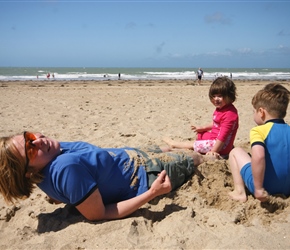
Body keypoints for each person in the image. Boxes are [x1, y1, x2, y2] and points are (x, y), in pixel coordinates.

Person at [0, 132, 218, 221]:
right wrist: (152, 193)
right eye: (30, 149)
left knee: (167, 149)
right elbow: (99, 214)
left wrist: (61, 195)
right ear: (28, 171)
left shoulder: (46, 158)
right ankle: (209, 158)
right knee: (192, 158)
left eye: (29, 136)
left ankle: (177, 149)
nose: (38, 140)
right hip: (145, 175)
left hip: (129, 155)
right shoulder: (65, 168)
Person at [228, 83, 290, 202]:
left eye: (254, 111)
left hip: (267, 188)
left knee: (235, 152)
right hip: (288, 188)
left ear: (261, 112)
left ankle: (239, 192)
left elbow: (259, 156)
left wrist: (259, 188)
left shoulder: (258, 131)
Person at [163, 77, 239, 159]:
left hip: (221, 146)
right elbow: (216, 123)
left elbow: (222, 137)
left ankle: (174, 144)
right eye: (214, 96)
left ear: (229, 96)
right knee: (201, 134)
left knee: (194, 144)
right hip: (214, 138)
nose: (216, 99)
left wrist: (214, 151)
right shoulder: (221, 108)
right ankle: (199, 144)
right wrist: (202, 128)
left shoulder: (230, 114)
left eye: (220, 96)